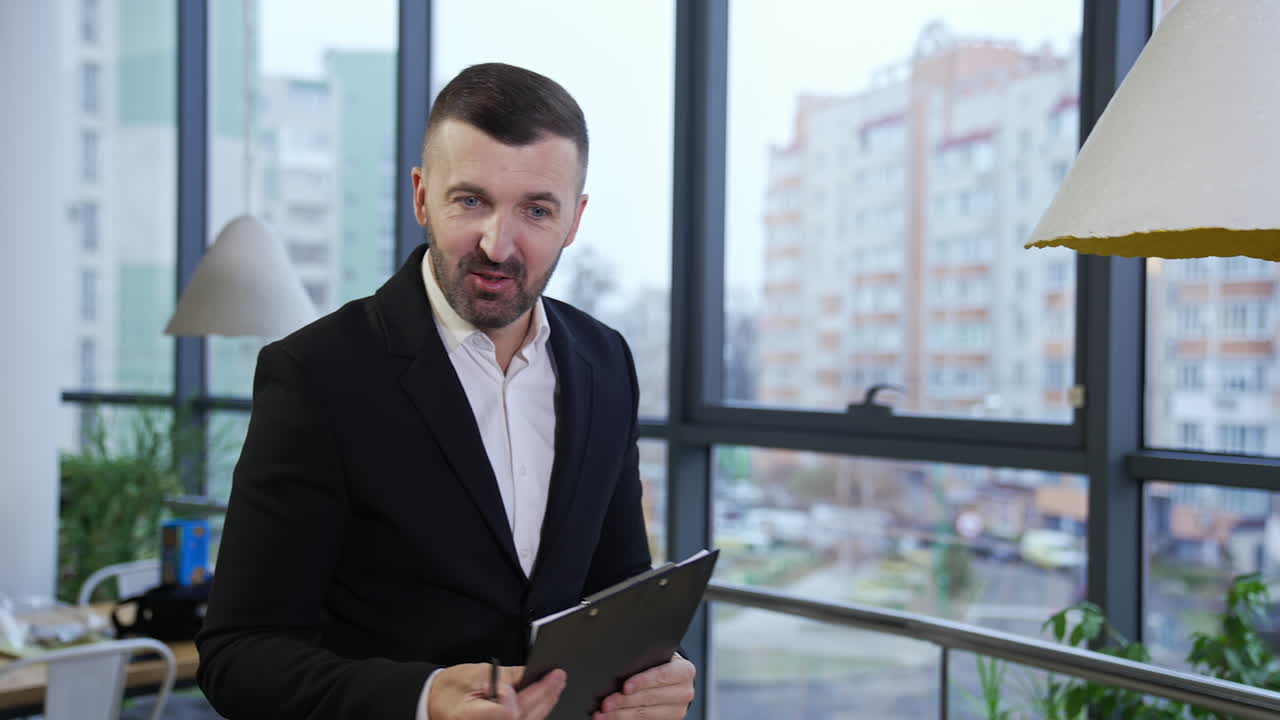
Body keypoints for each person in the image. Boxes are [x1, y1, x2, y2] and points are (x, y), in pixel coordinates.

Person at [196, 63, 696, 720]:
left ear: (574, 220)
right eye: (471, 201)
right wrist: (424, 700)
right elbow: (239, 655)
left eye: (536, 210)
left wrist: (653, 672)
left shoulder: (607, 362)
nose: (498, 243)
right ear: (421, 196)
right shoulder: (317, 374)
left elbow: (617, 592)